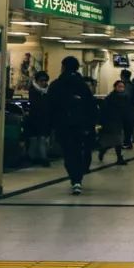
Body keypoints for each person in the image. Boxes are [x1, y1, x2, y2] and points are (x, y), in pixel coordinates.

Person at [48, 56, 98, 195]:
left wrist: (51, 125)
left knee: (69, 152)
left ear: (63, 67)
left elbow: (50, 105)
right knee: (80, 151)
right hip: (81, 126)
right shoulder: (83, 85)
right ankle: (78, 177)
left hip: (63, 125)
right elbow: (91, 106)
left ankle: (75, 178)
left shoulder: (56, 85)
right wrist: (91, 124)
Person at [98, 80, 133, 166]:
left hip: (120, 121)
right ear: (115, 87)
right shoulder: (111, 97)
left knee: (117, 140)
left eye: (122, 87)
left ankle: (104, 151)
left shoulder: (126, 97)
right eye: (119, 86)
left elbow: (127, 109)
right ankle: (117, 157)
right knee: (117, 140)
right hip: (111, 121)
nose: (121, 88)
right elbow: (105, 109)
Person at [25, 70, 52, 167]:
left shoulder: (46, 92)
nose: (43, 83)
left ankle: (40, 158)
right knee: (36, 140)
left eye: (45, 81)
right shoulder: (33, 91)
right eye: (41, 80)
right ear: (37, 81)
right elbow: (36, 106)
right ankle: (38, 158)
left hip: (43, 119)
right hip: (34, 119)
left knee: (41, 139)